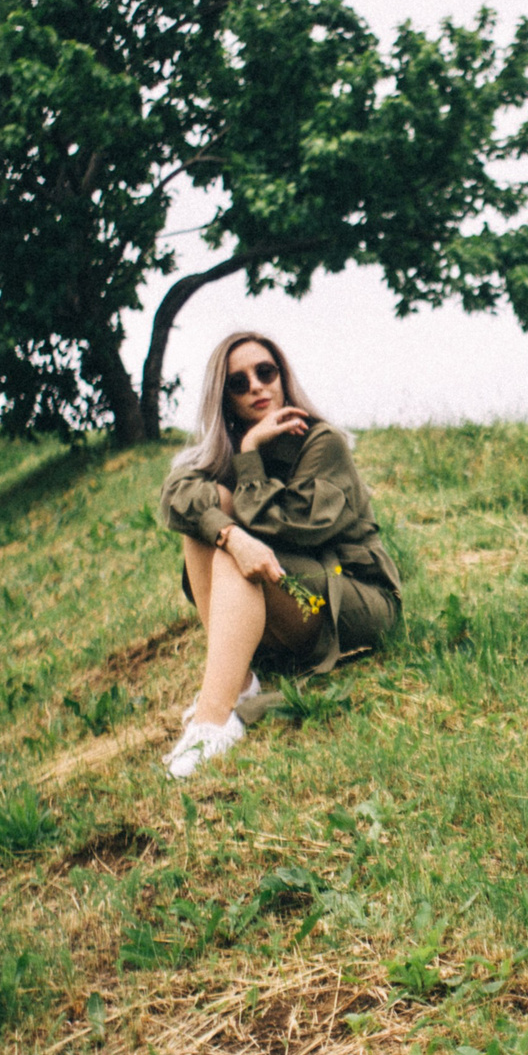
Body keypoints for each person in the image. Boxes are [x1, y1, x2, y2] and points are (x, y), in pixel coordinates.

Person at [156, 330, 403, 778]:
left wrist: (250, 454)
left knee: (229, 546)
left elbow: (296, 525)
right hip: (295, 591)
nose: (256, 386)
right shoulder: (227, 449)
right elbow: (177, 495)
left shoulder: (321, 442)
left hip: (355, 597)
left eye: (265, 372)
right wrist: (230, 533)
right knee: (208, 519)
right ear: (224, 398)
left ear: (283, 377)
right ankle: (240, 683)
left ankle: (212, 723)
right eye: (238, 382)